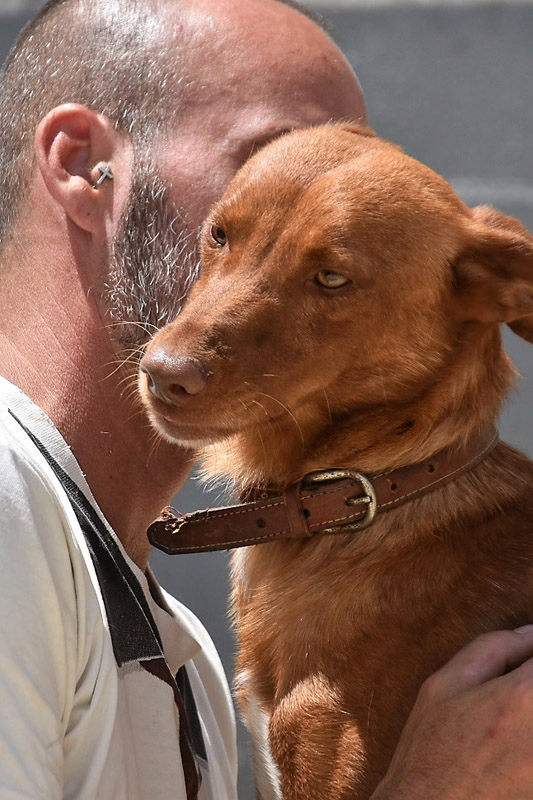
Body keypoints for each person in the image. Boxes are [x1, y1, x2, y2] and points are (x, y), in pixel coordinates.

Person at [0, 0, 532, 798]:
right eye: (273, 154)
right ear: (84, 165)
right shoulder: (12, 509)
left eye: (328, 279)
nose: (321, 174)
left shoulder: (183, 649)